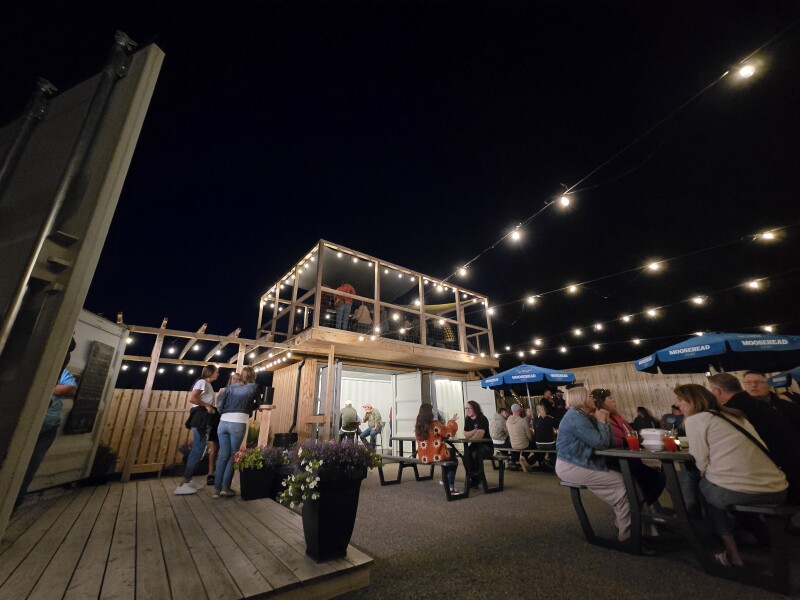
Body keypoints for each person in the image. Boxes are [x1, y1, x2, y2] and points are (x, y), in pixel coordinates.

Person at [674, 384, 787, 567]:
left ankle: (727, 551)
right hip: (779, 488)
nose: (677, 404)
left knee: (702, 488)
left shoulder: (696, 419)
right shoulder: (734, 415)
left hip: (746, 491)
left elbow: (700, 462)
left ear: (693, 400)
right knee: (709, 484)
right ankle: (752, 533)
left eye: (680, 399)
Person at [708, 373, 800, 503]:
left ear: (717, 391)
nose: (753, 386)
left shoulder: (732, 410)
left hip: (775, 473)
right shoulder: (759, 405)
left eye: (758, 382)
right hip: (787, 466)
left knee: (708, 485)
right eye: (749, 383)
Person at [555, 386, 631, 543]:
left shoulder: (582, 416)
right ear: (581, 399)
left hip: (578, 462)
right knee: (622, 482)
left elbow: (607, 442)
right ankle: (628, 535)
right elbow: (601, 444)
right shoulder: (575, 417)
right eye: (589, 396)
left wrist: (605, 421)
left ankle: (625, 524)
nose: (593, 399)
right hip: (571, 465)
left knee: (624, 480)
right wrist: (602, 421)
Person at [15, 365, 77, 510]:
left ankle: (14, 503)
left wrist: (45, 388)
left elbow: (70, 389)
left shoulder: (61, 371)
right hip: (20, 426)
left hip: (46, 429)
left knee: (29, 467)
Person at [590, 389, 665, 507]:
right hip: (618, 461)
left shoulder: (616, 416)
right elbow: (607, 441)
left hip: (632, 457)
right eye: (610, 398)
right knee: (658, 478)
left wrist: (637, 438)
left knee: (657, 477)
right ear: (601, 402)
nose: (614, 400)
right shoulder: (596, 418)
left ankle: (643, 507)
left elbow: (630, 432)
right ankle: (639, 508)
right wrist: (626, 440)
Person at [213, 366, 259, 498]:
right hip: (238, 423)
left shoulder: (231, 387)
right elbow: (258, 404)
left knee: (223, 455)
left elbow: (219, 405)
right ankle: (225, 488)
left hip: (223, 423)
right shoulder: (253, 387)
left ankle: (216, 490)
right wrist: (248, 410)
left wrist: (225, 414)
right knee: (233, 456)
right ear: (253, 376)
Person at [176, 365, 219, 495]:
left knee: (199, 449)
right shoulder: (202, 382)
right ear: (210, 372)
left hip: (203, 419)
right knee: (197, 449)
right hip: (199, 418)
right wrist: (206, 405)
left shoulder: (207, 384)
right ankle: (184, 483)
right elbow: (192, 398)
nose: (218, 374)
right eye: (216, 372)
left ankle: (188, 480)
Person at [415, 404, 460, 493]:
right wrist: (452, 421)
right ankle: (450, 486)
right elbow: (448, 433)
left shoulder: (418, 426)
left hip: (424, 456)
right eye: (432, 411)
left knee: (449, 454)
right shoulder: (434, 425)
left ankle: (444, 479)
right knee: (453, 458)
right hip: (436, 455)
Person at [207, 371, 239, 485]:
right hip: (220, 419)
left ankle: (222, 475)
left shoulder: (240, 393)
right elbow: (218, 405)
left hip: (232, 421)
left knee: (228, 450)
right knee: (215, 447)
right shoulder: (223, 390)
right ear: (230, 380)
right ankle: (210, 474)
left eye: (238, 379)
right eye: (234, 379)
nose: (235, 381)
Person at [463, 400, 492, 488]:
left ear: (475, 408)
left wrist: (471, 435)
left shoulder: (482, 418)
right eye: (466, 408)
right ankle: (473, 477)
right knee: (465, 456)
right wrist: (475, 431)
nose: (467, 410)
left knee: (475, 455)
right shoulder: (467, 419)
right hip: (474, 446)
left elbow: (479, 436)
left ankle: (477, 478)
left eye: (469, 408)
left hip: (486, 446)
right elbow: (465, 434)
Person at [506, 403, 535, 472]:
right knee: (534, 446)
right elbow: (529, 435)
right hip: (524, 445)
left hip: (513, 445)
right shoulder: (523, 421)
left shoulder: (507, 421)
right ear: (518, 410)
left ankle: (514, 462)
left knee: (517, 446)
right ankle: (526, 460)